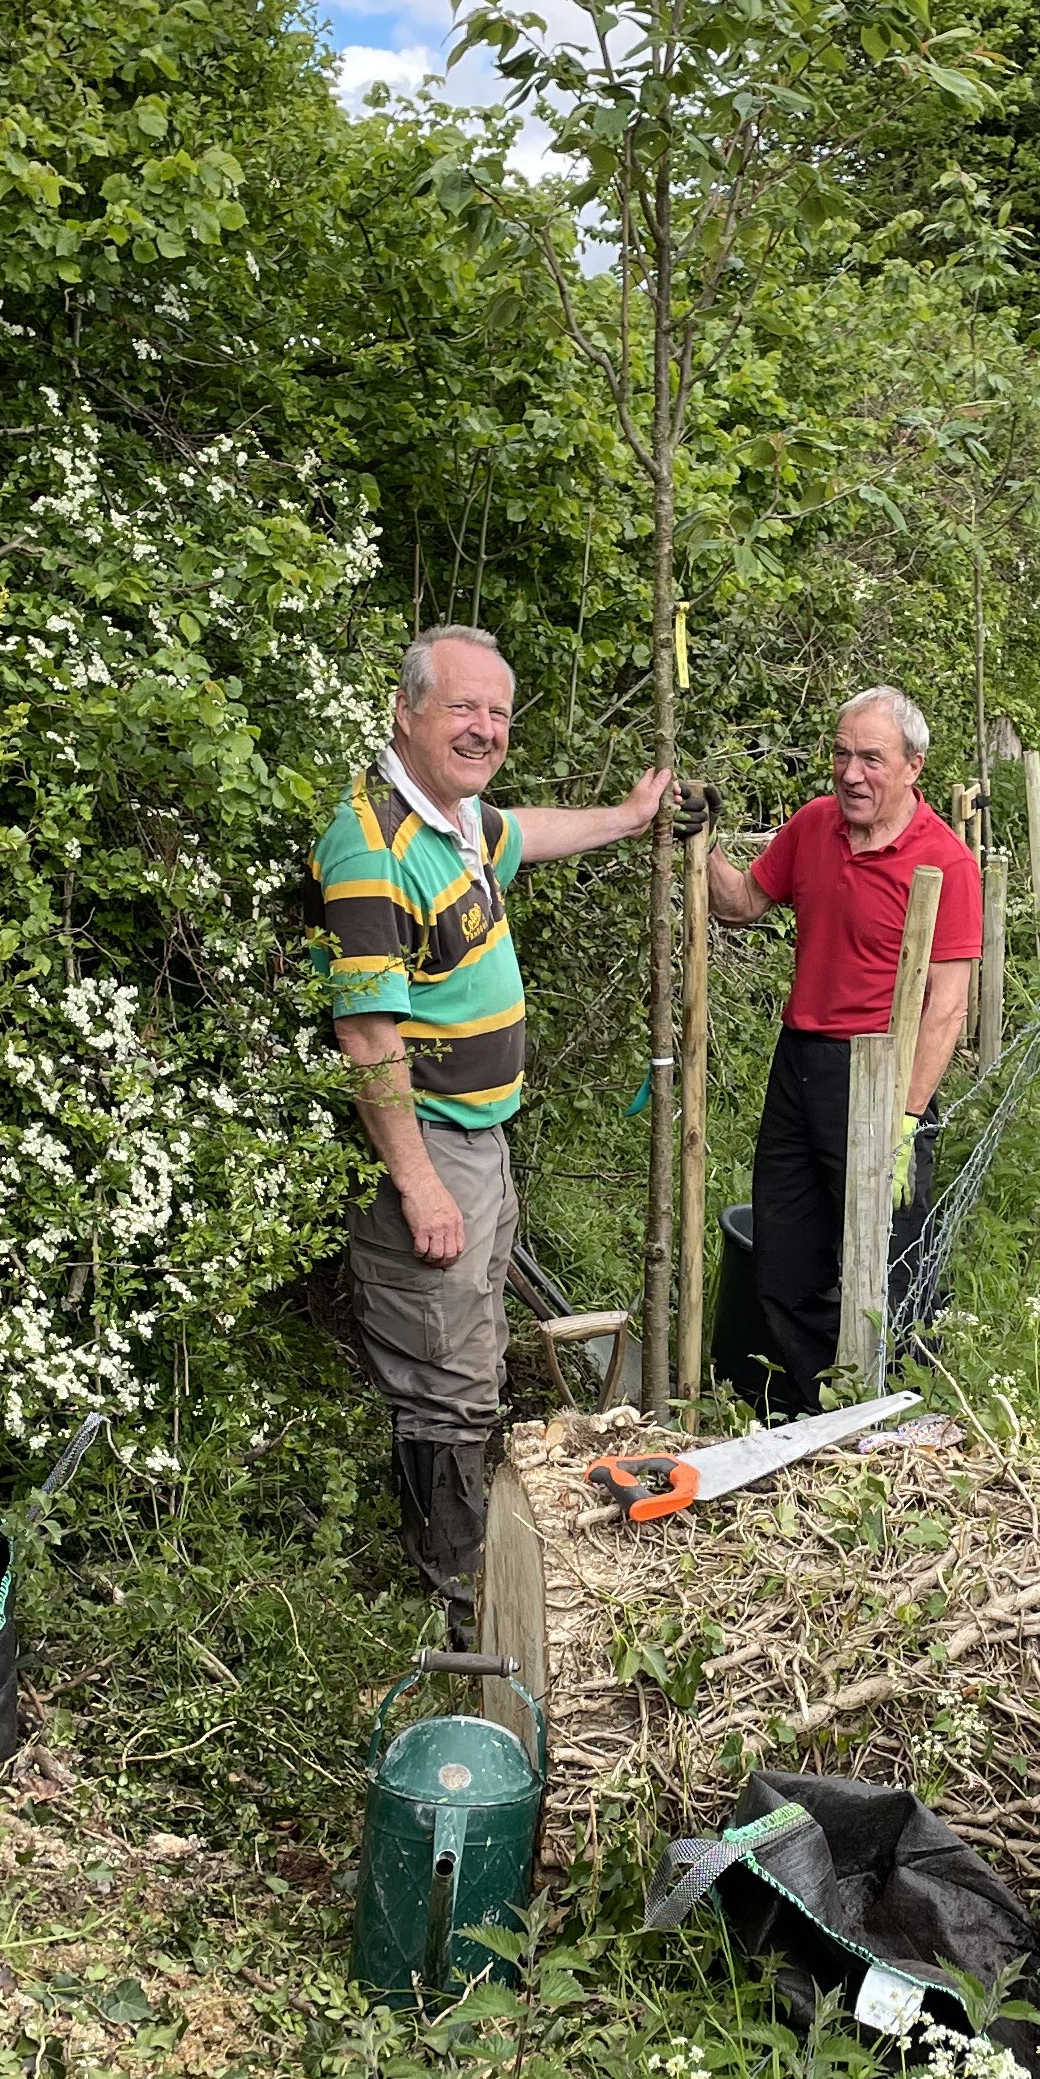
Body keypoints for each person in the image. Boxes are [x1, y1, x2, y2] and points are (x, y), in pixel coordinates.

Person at [316, 626, 664, 1614]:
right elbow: (370, 1035)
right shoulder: (372, 843)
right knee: (445, 1376)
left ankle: (468, 1563)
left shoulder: (454, 821)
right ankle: (457, 1590)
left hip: (480, 1134)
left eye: (499, 713)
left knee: (465, 1345)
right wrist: (420, 1182)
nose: (484, 729)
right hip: (430, 1142)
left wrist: (630, 816)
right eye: (463, 708)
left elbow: (531, 831)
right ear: (406, 711)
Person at [703, 686, 984, 1408]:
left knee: (887, 1264)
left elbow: (947, 1009)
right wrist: (699, 844)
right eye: (841, 753)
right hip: (800, 1064)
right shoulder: (813, 826)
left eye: (871, 759)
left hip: (881, 1074)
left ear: (913, 767)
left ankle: (896, 1419)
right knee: (786, 1256)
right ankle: (806, 1413)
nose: (850, 773)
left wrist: (905, 1121)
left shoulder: (945, 862)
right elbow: (738, 905)